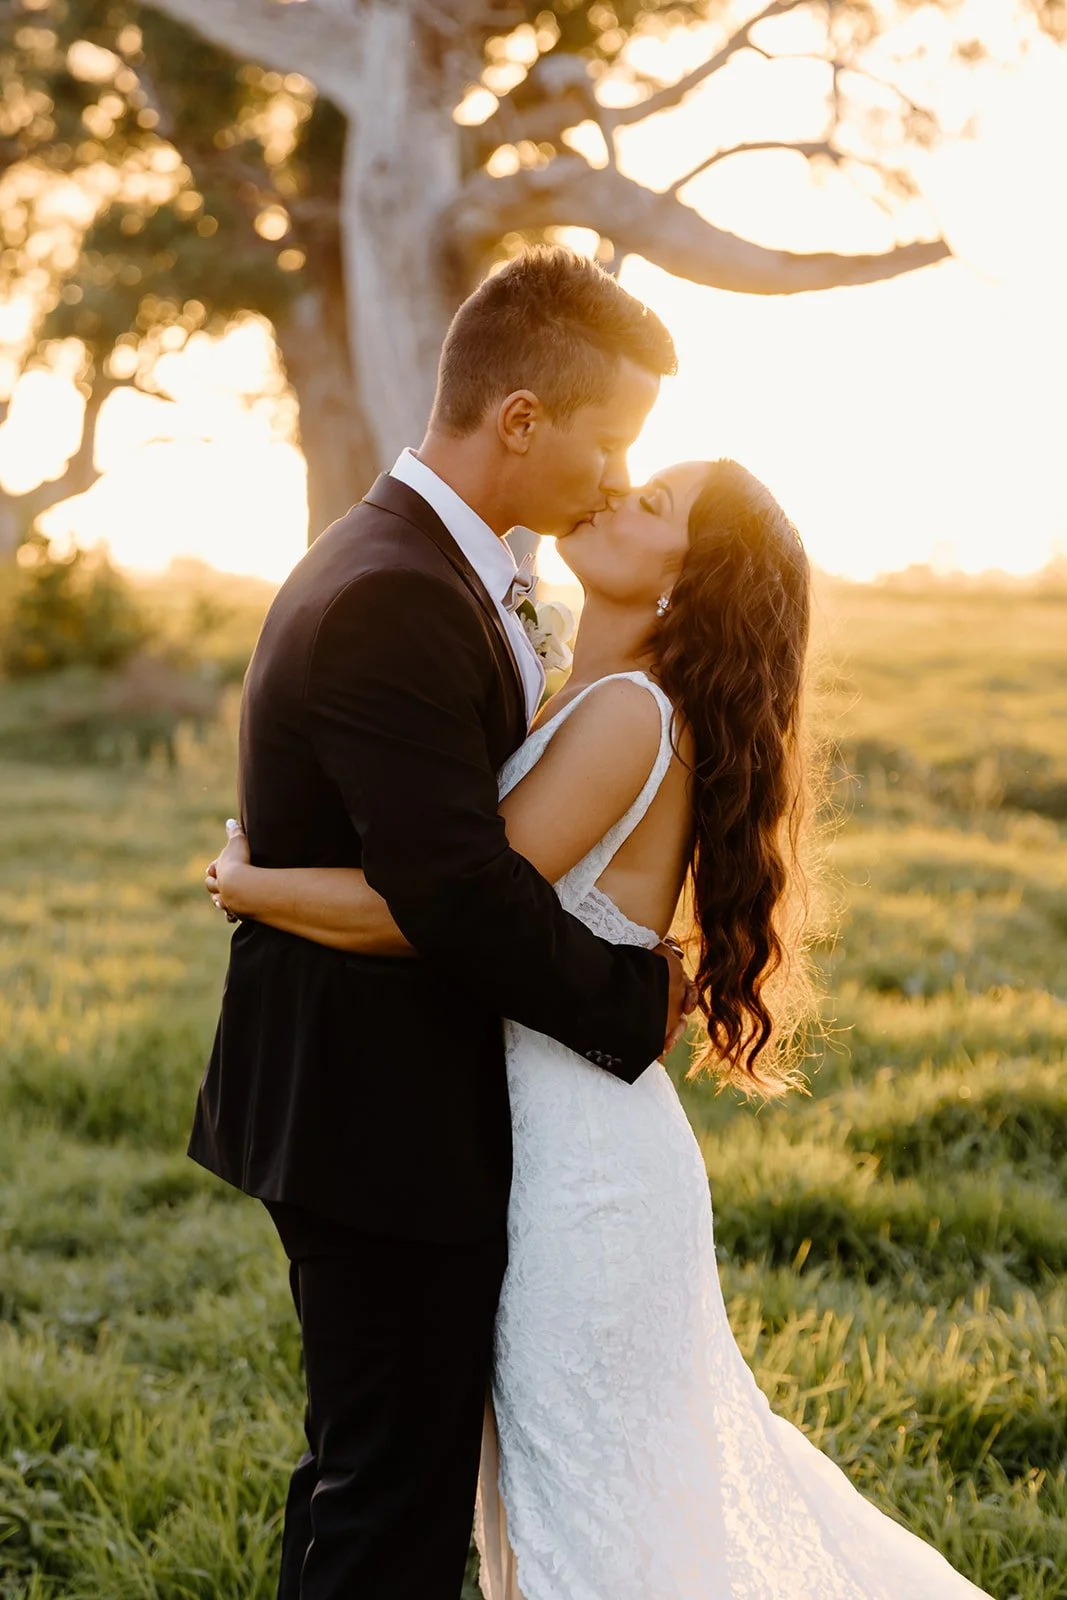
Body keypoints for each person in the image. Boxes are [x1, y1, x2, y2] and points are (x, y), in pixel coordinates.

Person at [210, 457, 994, 1599]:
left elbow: (443, 912)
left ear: (682, 582)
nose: (617, 494)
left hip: (581, 1168)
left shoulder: (628, 713)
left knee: (587, 1506)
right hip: (542, 1135)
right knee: (552, 1499)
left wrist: (249, 882)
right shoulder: (580, 692)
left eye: (653, 505)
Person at [190, 245, 694, 1600]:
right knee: (391, 1512)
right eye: (611, 442)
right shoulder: (398, 592)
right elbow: (459, 894)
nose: (611, 475)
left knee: (367, 1472)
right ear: (518, 419)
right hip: (374, 1121)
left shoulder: (437, 569)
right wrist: (634, 1001)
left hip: (376, 1107)